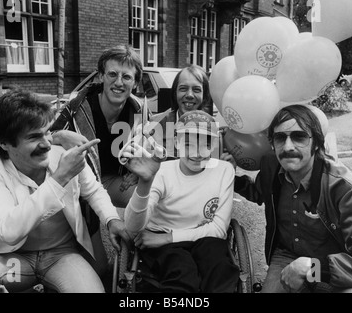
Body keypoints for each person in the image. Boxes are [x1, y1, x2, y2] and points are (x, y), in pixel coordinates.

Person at [0, 89, 130, 293]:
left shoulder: (64, 155)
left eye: (48, 132)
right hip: (14, 258)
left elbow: (93, 191)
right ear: (3, 143)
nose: (47, 143)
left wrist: (112, 219)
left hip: (61, 256)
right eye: (34, 137)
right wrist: (59, 179)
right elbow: (8, 231)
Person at [234, 104, 352, 293]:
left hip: (332, 265)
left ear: (316, 143)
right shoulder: (271, 167)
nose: (288, 146)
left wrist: (313, 269)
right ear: (272, 143)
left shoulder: (347, 189)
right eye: (280, 138)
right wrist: (228, 175)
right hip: (286, 256)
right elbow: (259, 193)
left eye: (299, 137)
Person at [122, 110, 240, 293]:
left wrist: (168, 237)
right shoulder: (161, 171)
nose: (196, 153)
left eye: (205, 144)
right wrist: (145, 182)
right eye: (188, 144)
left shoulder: (224, 171)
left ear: (214, 144)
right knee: (181, 270)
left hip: (195, 238)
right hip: (163, 239)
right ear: (176, 143)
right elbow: (132, 227)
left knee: (219, 265)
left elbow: (218, 230)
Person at [51, 44, 146, 209]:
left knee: (148, 198)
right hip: (77, 184)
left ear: (136, 82)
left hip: (113, 181)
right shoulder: (78, 107)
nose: (118, 82)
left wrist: (139, 172)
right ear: (101, 76)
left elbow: (151, 143)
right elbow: (45, 137)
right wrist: (60, 135)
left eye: (127, 77)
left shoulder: (139, 110)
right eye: (112, 74)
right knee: (88, 233)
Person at [150, 64, 233, 164]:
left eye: (196, 90)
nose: (189, 95)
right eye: (183, 88)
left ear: (205, 95)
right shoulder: (155, 125)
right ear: (175, 93)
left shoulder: (216, 130)